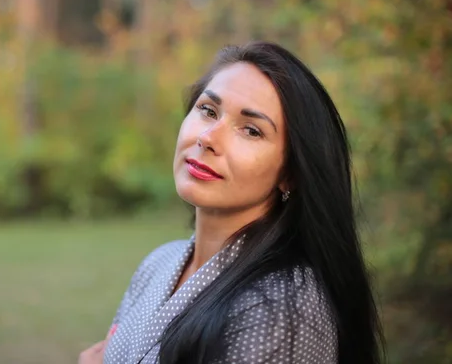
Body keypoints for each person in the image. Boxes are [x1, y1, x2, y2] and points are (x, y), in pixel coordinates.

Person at [79, 41, 384, 364]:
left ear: (290, 173)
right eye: (208, 111)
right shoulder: (157, 264)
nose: (208, 138)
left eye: (251, 130)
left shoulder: (283, 305)